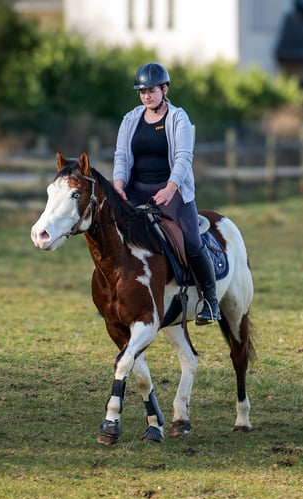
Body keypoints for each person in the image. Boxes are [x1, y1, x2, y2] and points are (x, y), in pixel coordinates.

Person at [113, 62, 221, 325]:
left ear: (164, 89)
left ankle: (210, 301)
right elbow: (121, 156)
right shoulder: (130, 119)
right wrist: (118, 184)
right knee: (111, 233)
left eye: (151, 90)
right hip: (136, 190)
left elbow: (184, 157)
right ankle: (114, 294)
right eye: (142, 91)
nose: (146, 95)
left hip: (172, 191)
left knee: (192, 241)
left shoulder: (177, 118)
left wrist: (171, 187)